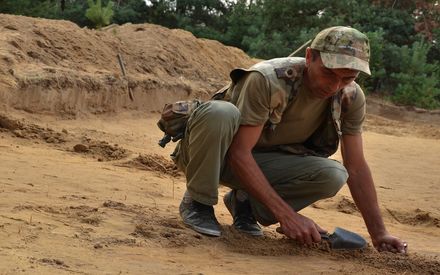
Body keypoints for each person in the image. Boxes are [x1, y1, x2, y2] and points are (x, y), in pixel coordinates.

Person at [172, 26, 407, 253]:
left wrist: (379, 234)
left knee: (332, 174)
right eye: (328, 73)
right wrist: (288, 216)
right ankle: (198, 200)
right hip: (209, 156)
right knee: (220, 112)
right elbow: (238, 152)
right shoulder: (267, 79)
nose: (334, 86)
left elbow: (355, 167)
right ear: (309, 57)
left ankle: (246, 206)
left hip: (260, 164)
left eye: (347, 78)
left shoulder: (351, 98)